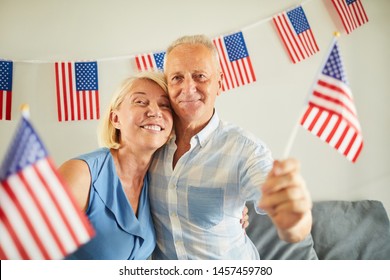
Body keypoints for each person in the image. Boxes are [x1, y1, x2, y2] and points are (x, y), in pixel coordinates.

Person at [148, 34, 313, 259]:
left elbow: (292, 225)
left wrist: (294, 217)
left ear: (220, 83)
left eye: (200, 76)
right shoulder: (150, 144)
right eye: (177, 78)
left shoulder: (246, 150)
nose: (188, 88)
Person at [58, 71, 174, 259]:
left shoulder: (160, 181)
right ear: (116, 119)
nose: (154, 111)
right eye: (140, 102)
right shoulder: (81, 175)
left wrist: (239, 209)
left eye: (165, 105)